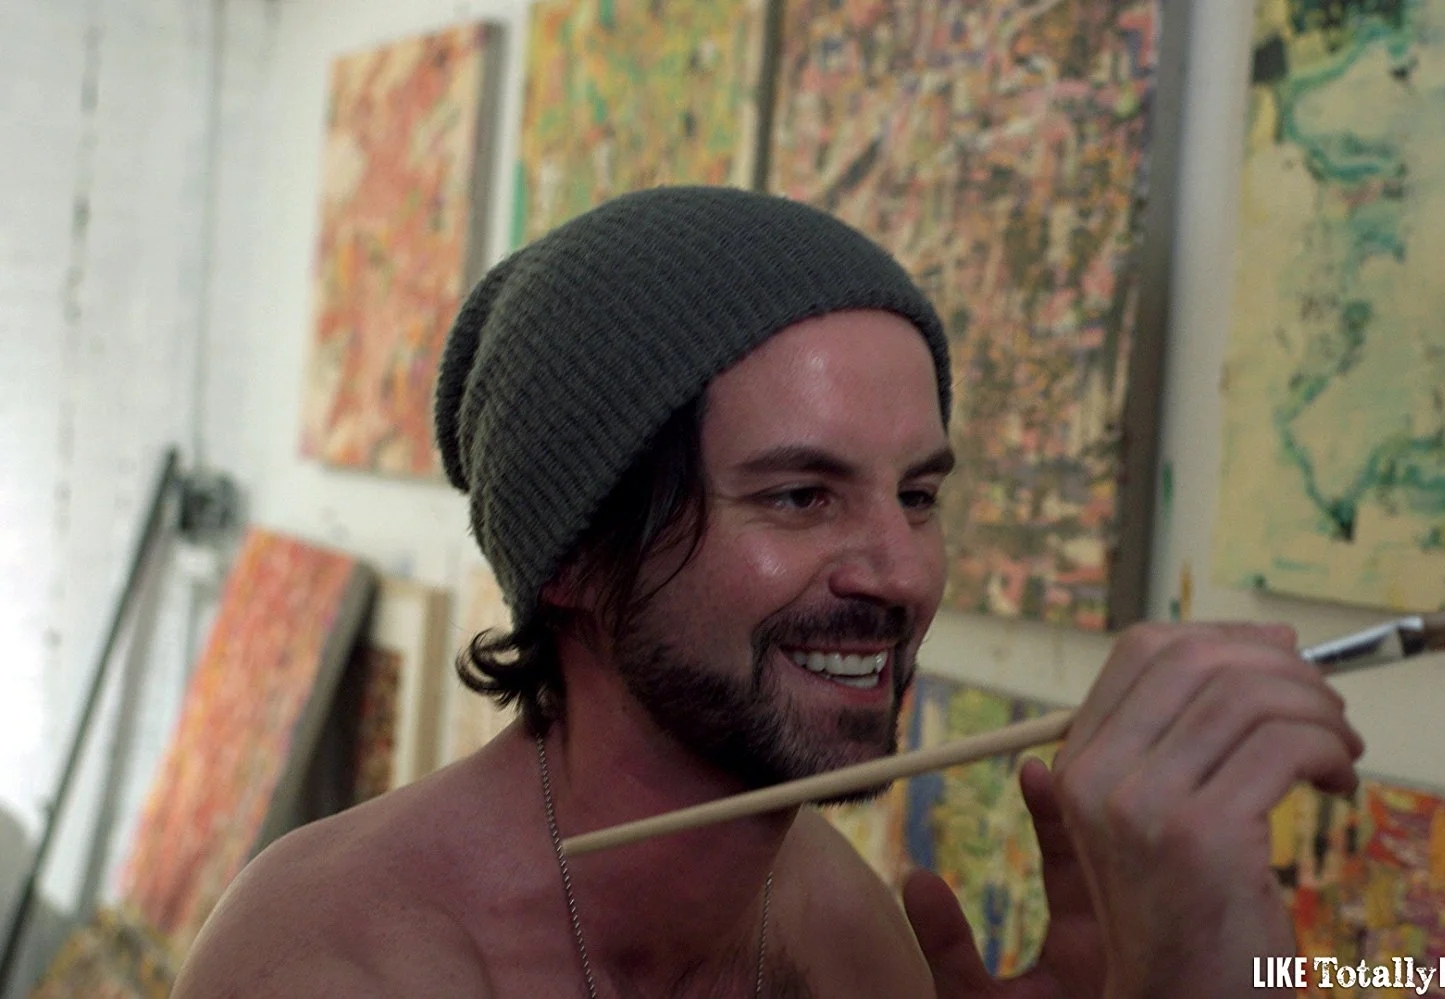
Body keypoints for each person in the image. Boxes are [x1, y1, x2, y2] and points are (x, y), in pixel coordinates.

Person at [172, 186, 1361, 998]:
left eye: (918, 495)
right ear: (575, 558)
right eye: (800, 496)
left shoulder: (839, 929)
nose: (901, 573)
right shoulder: (338, 962)